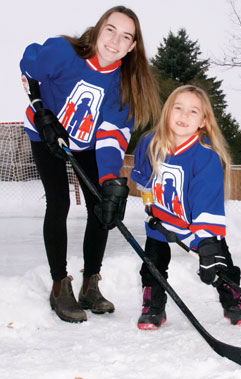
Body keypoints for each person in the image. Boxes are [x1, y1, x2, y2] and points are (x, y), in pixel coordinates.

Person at [20, 6, 161, 323]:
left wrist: (111, 181)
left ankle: (90, 284)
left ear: (132, 47)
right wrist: (40, 108)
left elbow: (110, 137)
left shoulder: (125, 87)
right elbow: (28, 68)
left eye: (126, 36)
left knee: (101, 205)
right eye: (111, 30)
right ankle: (60, 286)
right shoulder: (62, 53)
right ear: (99, 29)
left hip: (85, 142)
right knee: (59, 202)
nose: (115, 40)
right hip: (46, 134)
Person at [131, 85, 241, 330]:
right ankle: (153, 305)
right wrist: (149, 207)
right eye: (178, 108)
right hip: (160, 220)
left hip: (196, 221)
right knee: (153, 262)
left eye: (193, 111)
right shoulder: (149, 143)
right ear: (167, 112)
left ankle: (232, 300)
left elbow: (207, 203)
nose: (184, 116)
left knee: (219, 262)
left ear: (203, 121)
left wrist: (206, 243)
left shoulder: (205, 156)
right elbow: (144, 180)